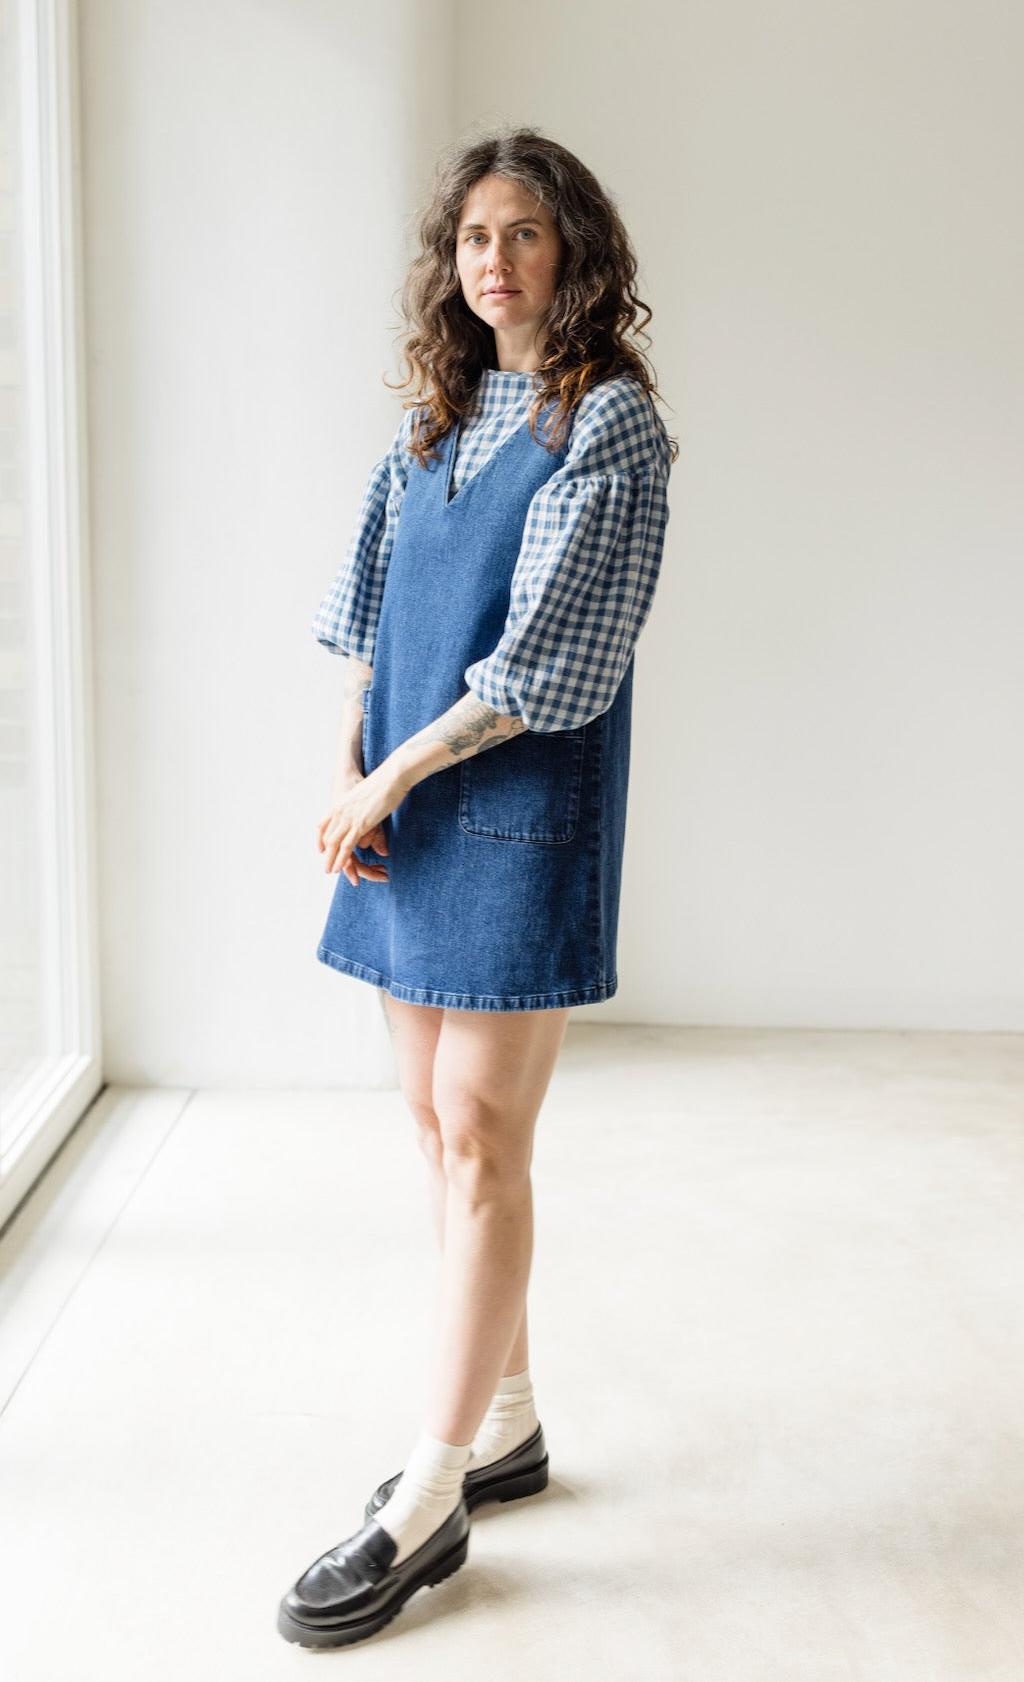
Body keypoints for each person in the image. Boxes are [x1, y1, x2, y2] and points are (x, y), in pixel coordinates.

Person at [277, 127, 675, 1649]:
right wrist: (350, 762)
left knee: (485, 1138)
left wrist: (388, 779)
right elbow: (371, 614)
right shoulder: (434, 417)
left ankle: (430, 1495)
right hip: (405, 806)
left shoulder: (607, 422)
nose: (493, 262)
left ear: (574, 253)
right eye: (471, 239)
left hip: (512, 812)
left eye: (523, 234)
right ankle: (505, 1423)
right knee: (435, 1127)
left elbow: (544, 668)